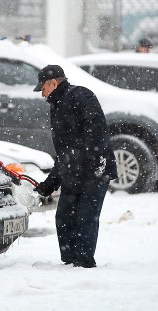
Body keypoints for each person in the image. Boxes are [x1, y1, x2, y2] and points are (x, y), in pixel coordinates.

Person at [33, 64, 117, 268]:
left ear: (53, 83)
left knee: (85, 218)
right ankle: (69, 262)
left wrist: (96, 163)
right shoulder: (56, 106)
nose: (42, 95)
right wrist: (50, 183)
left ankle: (84, 264)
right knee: (64, 217)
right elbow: (64, 152)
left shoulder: (82, 95)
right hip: (74, 172)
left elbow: (96, 130)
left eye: (43, 89)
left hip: (93, 171)